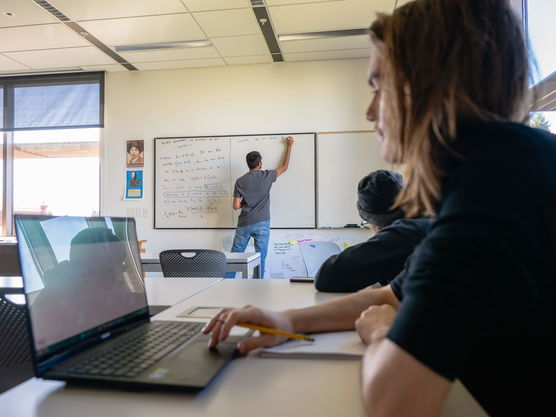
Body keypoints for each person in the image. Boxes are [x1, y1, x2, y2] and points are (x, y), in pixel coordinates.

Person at [204, 1, 556, 415]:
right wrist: (288, 320)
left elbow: (394, 402)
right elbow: (393, 295)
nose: (370, 112)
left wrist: (382, 333)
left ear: (426, 84)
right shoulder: (503, 166)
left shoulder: (493, 190)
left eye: (377, 87)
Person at [314, 169, 430, 292]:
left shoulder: (403, 235)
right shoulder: (428, 223)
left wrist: (378, 241)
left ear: (377, 224)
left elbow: (326, 277)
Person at [229, 137, 294, 278]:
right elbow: (284, 167)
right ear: (259, 163)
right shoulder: (267, 176)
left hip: (244, 223)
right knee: (260, 258)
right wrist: (289, 146)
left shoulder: (240, 181)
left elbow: (235, 206)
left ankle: (226, 284)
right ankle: (258, 287)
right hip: (262, 223)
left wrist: (245, 203)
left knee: (235, 257)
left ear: (248, 164)